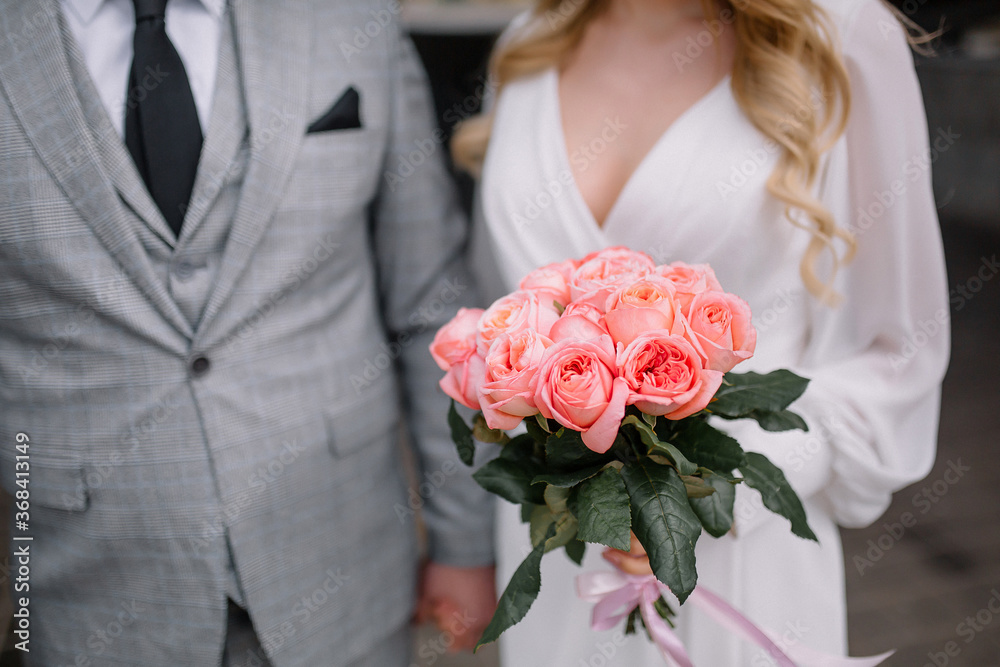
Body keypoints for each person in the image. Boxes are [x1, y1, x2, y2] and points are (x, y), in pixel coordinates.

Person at [0, 0, 496, 664]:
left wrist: (465, 542)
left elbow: (429, 298)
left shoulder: (347, 15)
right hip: (86, 599)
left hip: (344, 579)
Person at [456, 0, 950, 663]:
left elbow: (901, 353)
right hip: (562, 559)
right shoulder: (527, 42)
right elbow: (505, 316)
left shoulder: (843, 35)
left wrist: (719, 479)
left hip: (737, 557)